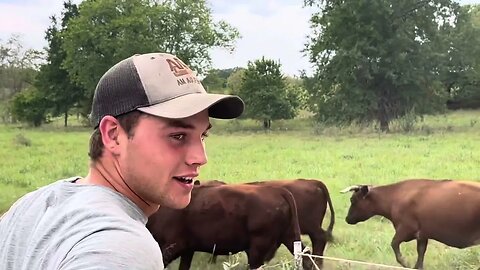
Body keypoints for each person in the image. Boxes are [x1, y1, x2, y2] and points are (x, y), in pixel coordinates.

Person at [0, 52, 244, 269]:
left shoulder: (30, 206)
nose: (200, 158)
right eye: (178, 136)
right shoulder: (122, 248)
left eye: (203, 136)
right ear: (113, 135)